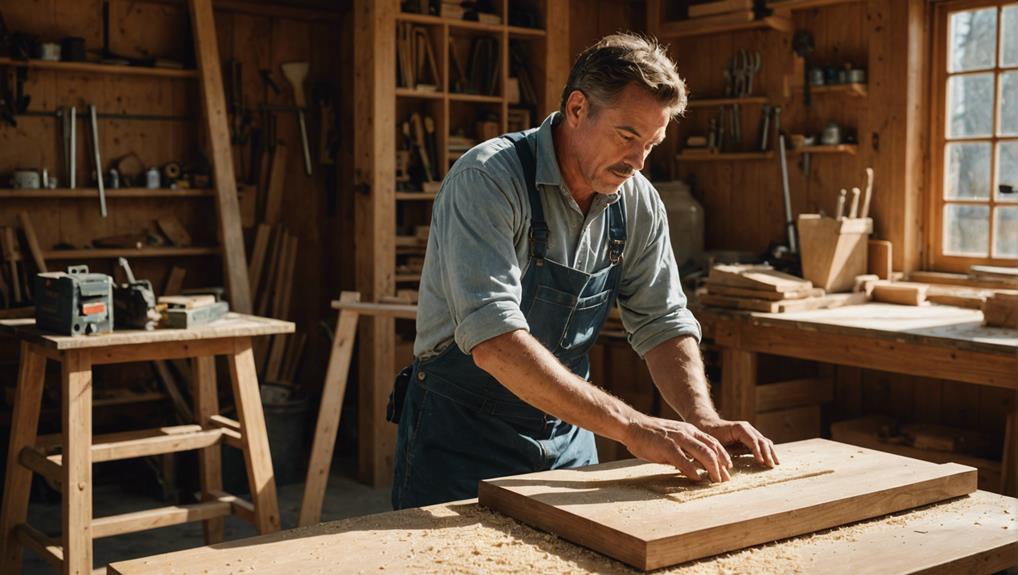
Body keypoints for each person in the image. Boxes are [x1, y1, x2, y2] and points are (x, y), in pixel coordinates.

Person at [389, 32, 779, 510]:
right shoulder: (487, 180)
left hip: (567, 438)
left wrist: (702, 417)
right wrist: (632, 426)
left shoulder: (637, 200)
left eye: (651, 145)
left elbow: (662, 322)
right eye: (628, 136)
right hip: (460, 438)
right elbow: (494, 342)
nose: (638, 162)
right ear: (577, 109)